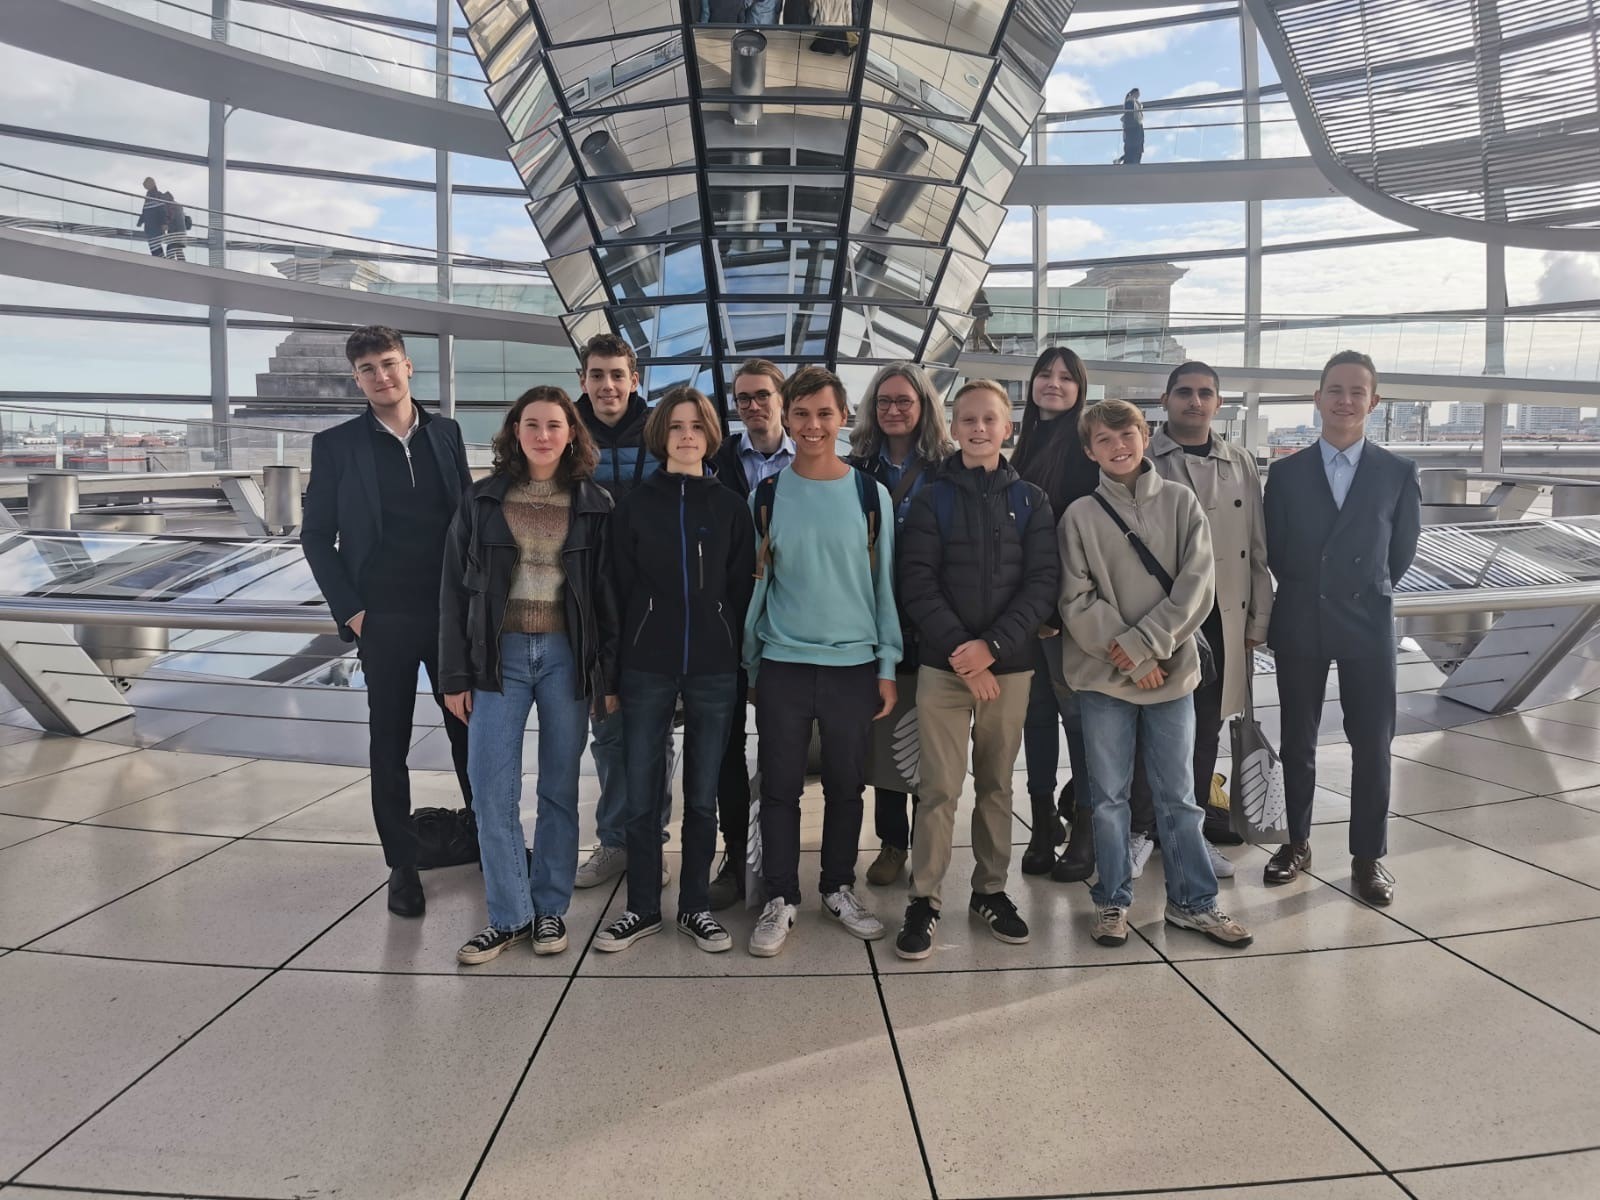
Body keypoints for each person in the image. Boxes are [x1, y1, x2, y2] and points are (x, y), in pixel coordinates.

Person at [1058, 399, 1251, 950]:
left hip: (1169, 674)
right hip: (1105, 680)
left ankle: (1194, 903)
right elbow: (1076, 600)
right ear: (1090, 449)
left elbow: (1198, 585)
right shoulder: (1080, 516)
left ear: (1146, 437)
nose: (1118, 446)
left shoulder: (1182, 502)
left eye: (1127, 434)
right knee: (1110, 797)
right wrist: (1135, 656)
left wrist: (1145, 648)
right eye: (1104, 439)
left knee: (1180, 796)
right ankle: (1113, 902)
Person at [440, 386, 620, 963]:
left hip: (567, 657)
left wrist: (606, 677)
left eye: (555, 425)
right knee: (492, 791)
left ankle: (550, 911)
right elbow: (451, 592)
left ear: (572, 434)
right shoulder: (482, 500)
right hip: (499, 659)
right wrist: (454, 675)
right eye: (532, 424)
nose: (543, 435)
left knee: (559, 790)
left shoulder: (595, 503)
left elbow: (607, 599)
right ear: (515, 432)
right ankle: (509, 914)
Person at [301, 325, 473, 919]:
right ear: (357, 379)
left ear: (409, 368)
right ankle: (402, 865)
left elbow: (469, 522)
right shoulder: (336, 445)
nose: (382, 375)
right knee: (388, 743)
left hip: (451, 616)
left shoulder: (446, 434)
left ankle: (488, 838)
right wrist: (351, 611)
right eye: (369, 368)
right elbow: (317, 537)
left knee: (470, 735)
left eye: (390, 363)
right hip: (384, 620)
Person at [892, 380, 1058, 959]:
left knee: (994, 785)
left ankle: (989, 890)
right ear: (954, 428)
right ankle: (925, 896)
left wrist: (991, 647)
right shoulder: (932, 498)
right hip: (944, 667)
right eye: (968, 419)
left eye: (990, 419)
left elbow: (1041, 585)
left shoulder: (1033, 501)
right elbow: (916, 581)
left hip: (1007, 670)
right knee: (937, 788)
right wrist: (963, 650)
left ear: (1006, 427)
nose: (979, 428)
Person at [743, 365, 902, 958]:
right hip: (784, 661)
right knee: (780, 788)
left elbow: (884, 586)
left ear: (843, 419)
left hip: (853, 666)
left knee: (845, 787)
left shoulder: (869, 494)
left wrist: (886, 665)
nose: (812, 425)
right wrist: (754, 665)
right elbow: (756, 586)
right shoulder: (766, 494)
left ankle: (838, 886)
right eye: (802, 414)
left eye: (824, 414)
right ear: (786, 417)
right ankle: (780, 897)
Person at [595, 387, 756, 954]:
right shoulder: (636, 506)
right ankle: (641, 907)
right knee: (642, 792)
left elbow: (739, 590)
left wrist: (733, 649)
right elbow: (614, 589)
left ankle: (694, 906)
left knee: (703, 796)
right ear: (661, 433)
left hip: (713, 668)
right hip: (647, 665)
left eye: (696, 425)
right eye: (676, 426)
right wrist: (611, 676)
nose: (686, 435)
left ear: (710, 433)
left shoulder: (731, 506)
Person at [1263, 350, 1421, 906]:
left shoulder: (1398, 473)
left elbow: (1399, 553)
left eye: (1357, 391)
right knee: (1297, 740)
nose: (1345, 400)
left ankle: (1367, 857)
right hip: (1302, 617)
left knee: (1373, 742)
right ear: (1317, 398)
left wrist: (1361, 591)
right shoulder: (1283, 474)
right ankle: (1297, 842)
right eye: (1335, 389)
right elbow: (1276, 549)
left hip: (1368, 621)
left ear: (1373, 402)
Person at [1147, 362, 1274, 869]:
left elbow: (1256, 547)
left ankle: (1191, 822)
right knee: (1158, 725)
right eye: (1184, 392)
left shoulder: (1238, 459)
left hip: (1225, 616)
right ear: (1165, 399)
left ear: (1219, 403)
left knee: (1206, 727)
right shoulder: (1146, 458)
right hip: (1168, 616)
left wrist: (1257, 621)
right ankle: (1150, 822)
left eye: (1205, 394)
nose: (1194, 402)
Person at [571, 333, 673, 893]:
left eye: (617, 374)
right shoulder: (566, 429)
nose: (607, 386)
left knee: (656, 731)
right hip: (590, 602)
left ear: (635, 378)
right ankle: (614, 840)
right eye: (597, 375)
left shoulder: (661, 430)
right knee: (608, 730)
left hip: (652, 602)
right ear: (582, 379)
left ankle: (650, 840)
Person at [845, 362, 951, 887]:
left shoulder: (947, 467)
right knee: (886, 734)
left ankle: (929, 845)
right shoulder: (855, 467)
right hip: (871, 616)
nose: (892, 410)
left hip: (932, 619)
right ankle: (891, 843)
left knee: (930, 736)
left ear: (924, 406)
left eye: (904, 401)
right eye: (883, 401)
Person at [706, 357, 795, 910]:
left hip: (791, 621)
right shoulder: (716, 461)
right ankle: (734, 857)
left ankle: (784, 861)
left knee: (786, 747)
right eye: (743, 398)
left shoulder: (814, 461)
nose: (753, 406)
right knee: (726, 748)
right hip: (729, 621)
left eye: (762, 395)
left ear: (780, 399)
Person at [1010, 347, 1101, 880]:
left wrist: (1058, 611)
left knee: (1078, 723)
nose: (1054, 383)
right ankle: (1044, 823)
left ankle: (1084, 832)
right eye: (1046, 373)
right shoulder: (1024, 444)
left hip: (1067, 616)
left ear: (1080, 388)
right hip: (1030, 615)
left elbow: (1085, 540)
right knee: (1037, 719)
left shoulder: (1081, 448)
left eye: (1067, 377)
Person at [136, 178, 167, 258]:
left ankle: (161, 260)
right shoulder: (148, 196)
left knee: (155, 245)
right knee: (154, 245)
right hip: (151, 226)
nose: (146, 187)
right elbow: (145, 211)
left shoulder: (157, 195)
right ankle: (160, 260)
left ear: (151, 183)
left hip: (155, 226)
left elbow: (162, 211)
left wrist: (163, 224)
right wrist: (140, 221)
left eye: (146, 185)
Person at [970, 287, 1000, 353]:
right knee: (974, 334)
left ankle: (993, 348)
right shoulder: (973, 298)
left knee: (982, 334)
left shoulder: (981, 298)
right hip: (976, 317)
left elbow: (986, 307)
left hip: (982, 317)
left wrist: (989, 313)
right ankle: (976, 349)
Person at [1120, 88, 1144, 165]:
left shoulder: (1135, 103)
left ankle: (1122, 159)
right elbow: (1129, 116)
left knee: (1133, 150)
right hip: (1134, 128)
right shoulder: (1130, 101)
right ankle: (1124, 160)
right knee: (1134, 149)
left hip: (1134, 128)